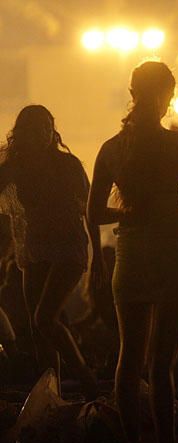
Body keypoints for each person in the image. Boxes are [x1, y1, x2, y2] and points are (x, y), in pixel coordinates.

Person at [88, 61, 178, 443]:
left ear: (132, 94)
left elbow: (94, 214)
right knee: (162, 362)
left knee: (129, 357)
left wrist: (127, 216)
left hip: (131, 254)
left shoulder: (112, 148)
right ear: (168, 96)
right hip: (174, 250)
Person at [0, 105, 102, 399]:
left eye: (47, 127)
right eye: (36, 129)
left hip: (69, 246)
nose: (43, 134)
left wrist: (97, 259)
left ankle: (87, 380)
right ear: (23, 133)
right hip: (35, 247)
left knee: (45, 318)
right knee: (38, 330)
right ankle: (52, 395)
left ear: (52, 130)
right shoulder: (15, 167)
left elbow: (90, 211)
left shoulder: (68, 166)